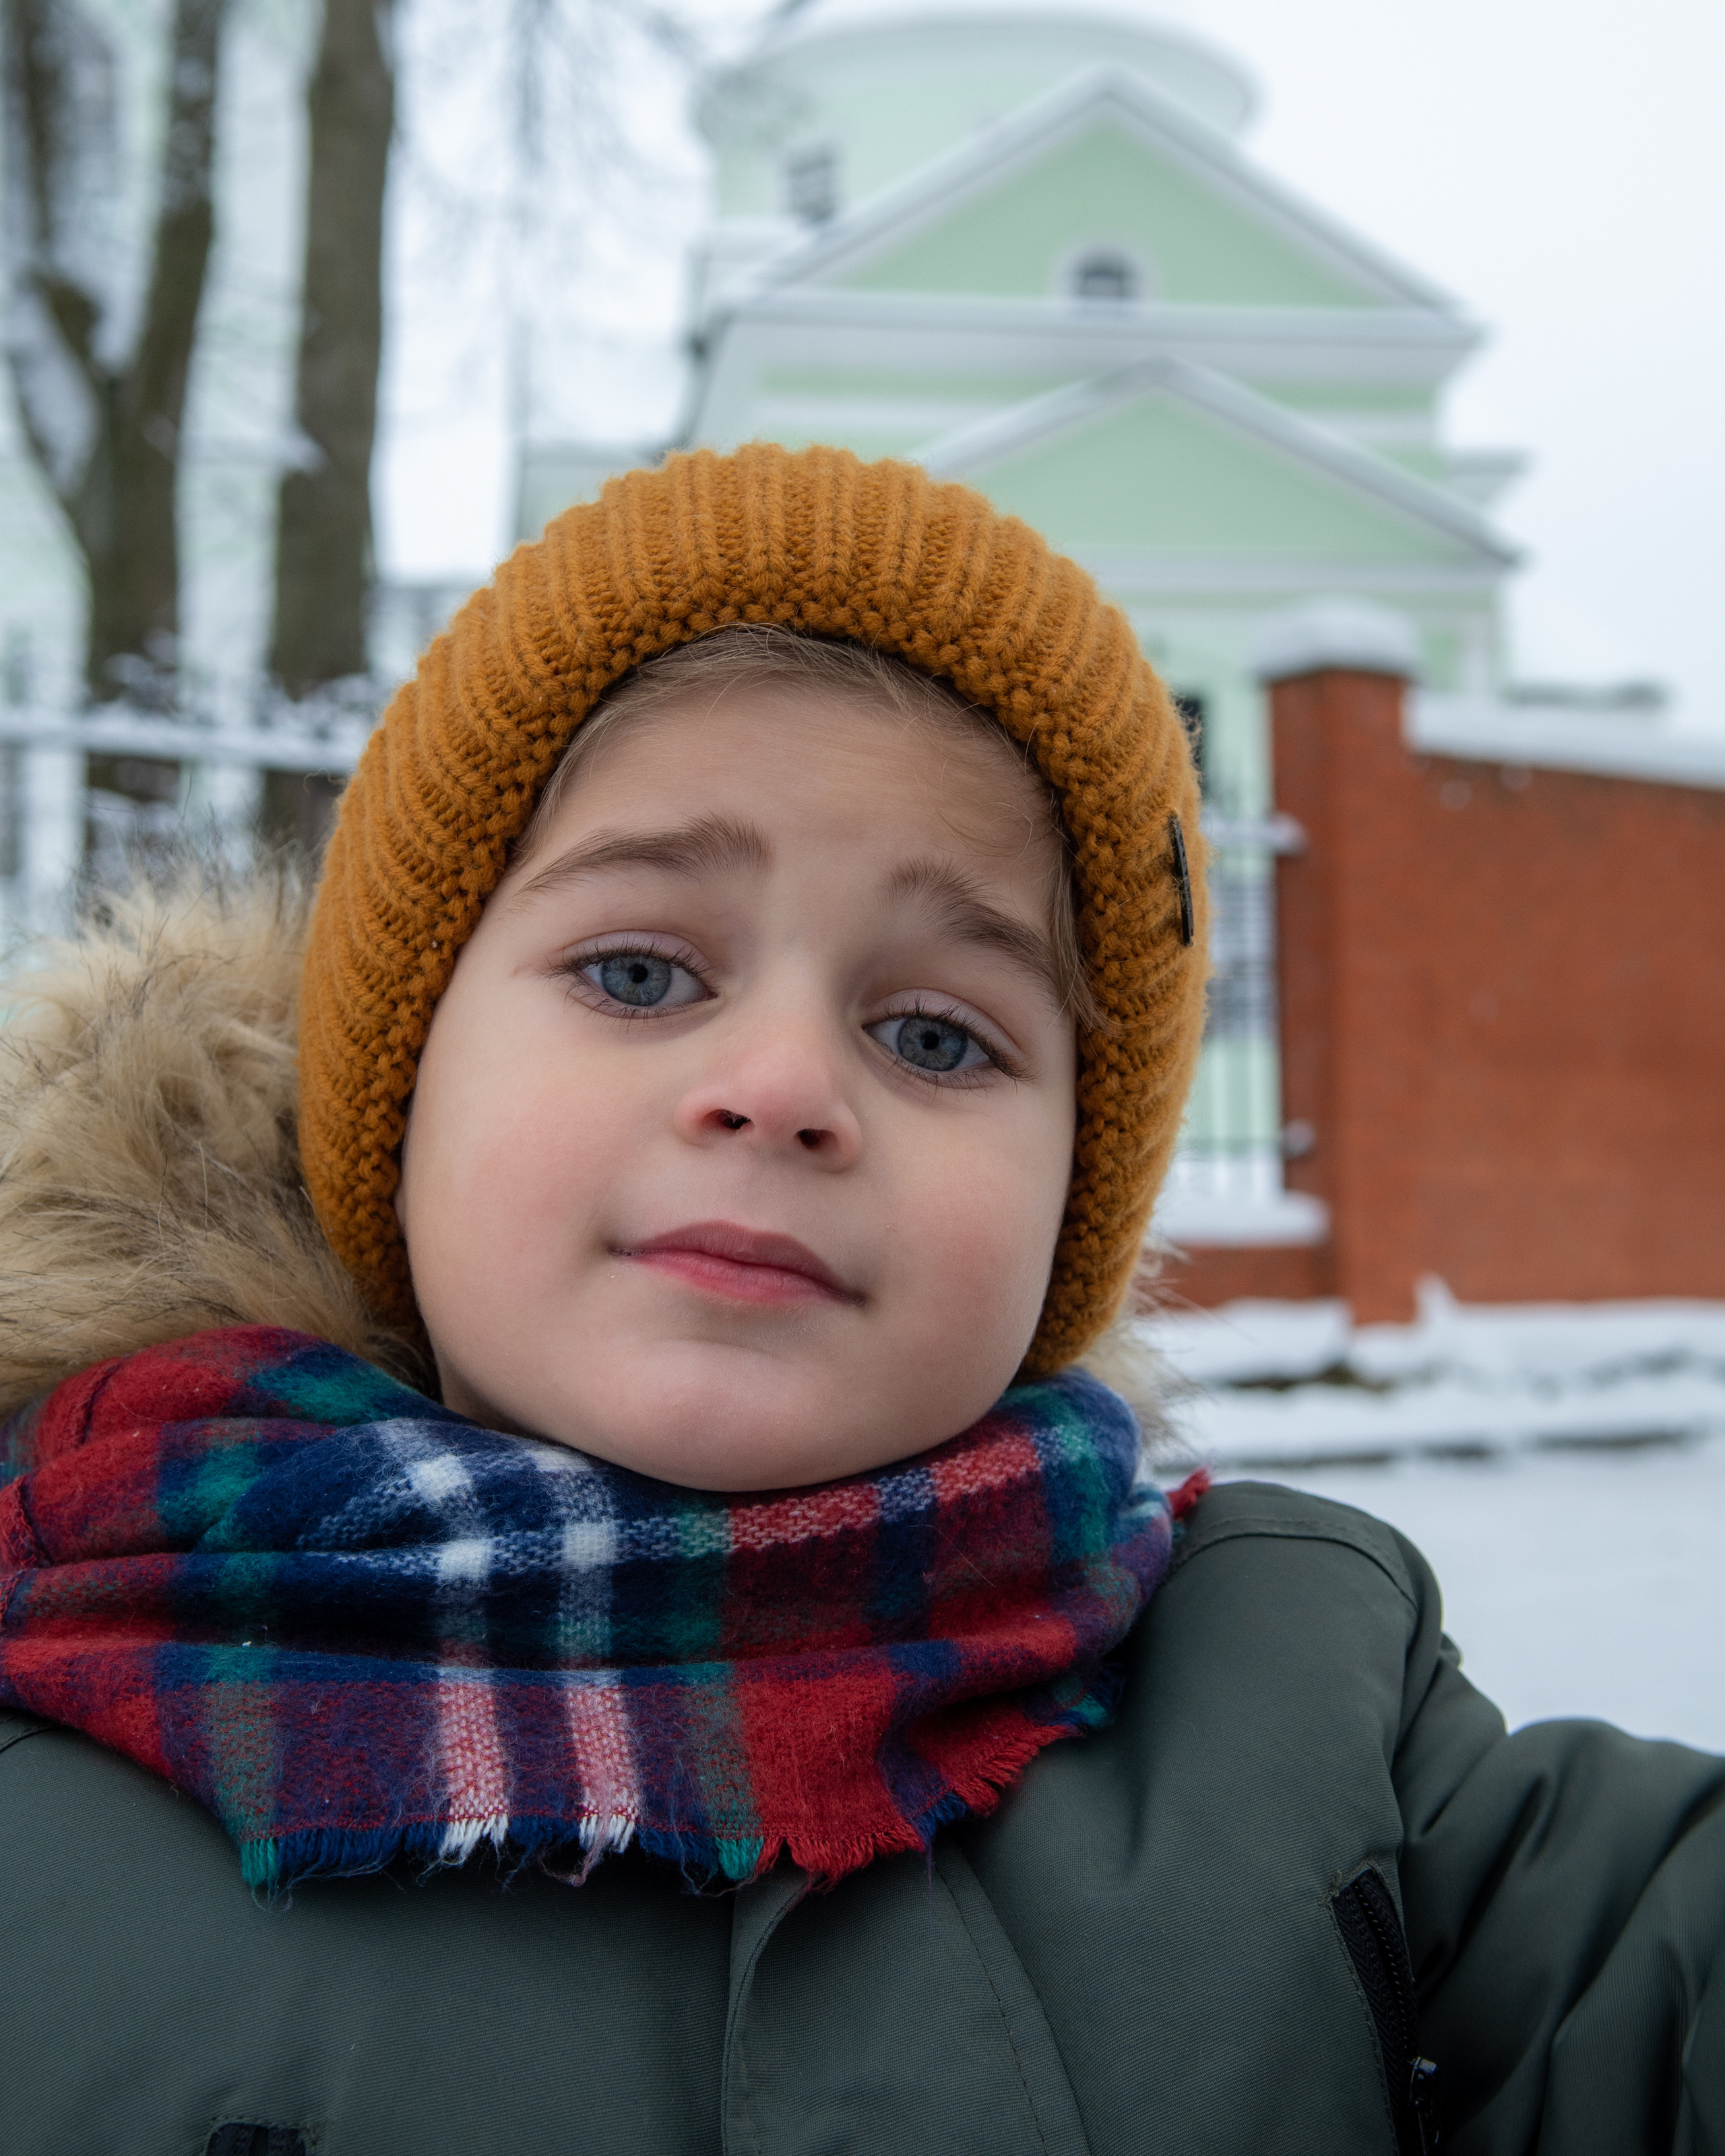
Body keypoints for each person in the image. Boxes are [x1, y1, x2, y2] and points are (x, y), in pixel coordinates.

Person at [0, 444, 1720, 2156]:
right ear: (399, 1083)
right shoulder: (52, 1721)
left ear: (1069, 1209)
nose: (779, 1085)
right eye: (637, 969)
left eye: (933, 1034)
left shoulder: (1314, 1723)